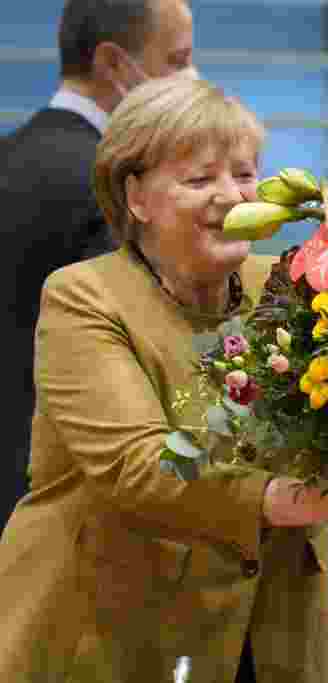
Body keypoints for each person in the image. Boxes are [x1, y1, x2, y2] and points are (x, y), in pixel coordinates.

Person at [0, 77, 328, 682]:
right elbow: (140, 468)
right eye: (200, 180)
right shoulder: (84, 298)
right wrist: (299, 500)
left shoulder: (293, 286)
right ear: (136, 197)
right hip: (114, 639)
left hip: (276, 637)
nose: (230, 196)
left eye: (245, 176)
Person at [0, 0, 197, 530]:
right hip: (67, 504)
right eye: (178, 61)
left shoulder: (10, 156)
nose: (191, 80)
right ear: (113, 64)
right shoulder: (117, 191)